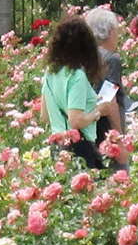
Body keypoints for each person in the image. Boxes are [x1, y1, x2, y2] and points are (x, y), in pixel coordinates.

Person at [40, 16, 116, 170]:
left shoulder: (51, 72)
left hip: (57, 148)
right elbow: (76, 120)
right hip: (79, 149)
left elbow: (45, 116)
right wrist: (98, 111)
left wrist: (89, 101)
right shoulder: (77, 76)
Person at [84, 7, 131, 169]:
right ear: (110, 32)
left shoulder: (87, 57)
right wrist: (120, 142)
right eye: (117, 31)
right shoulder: (111, 59)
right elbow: (109, 101)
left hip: (90, 134)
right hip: (107, 137)